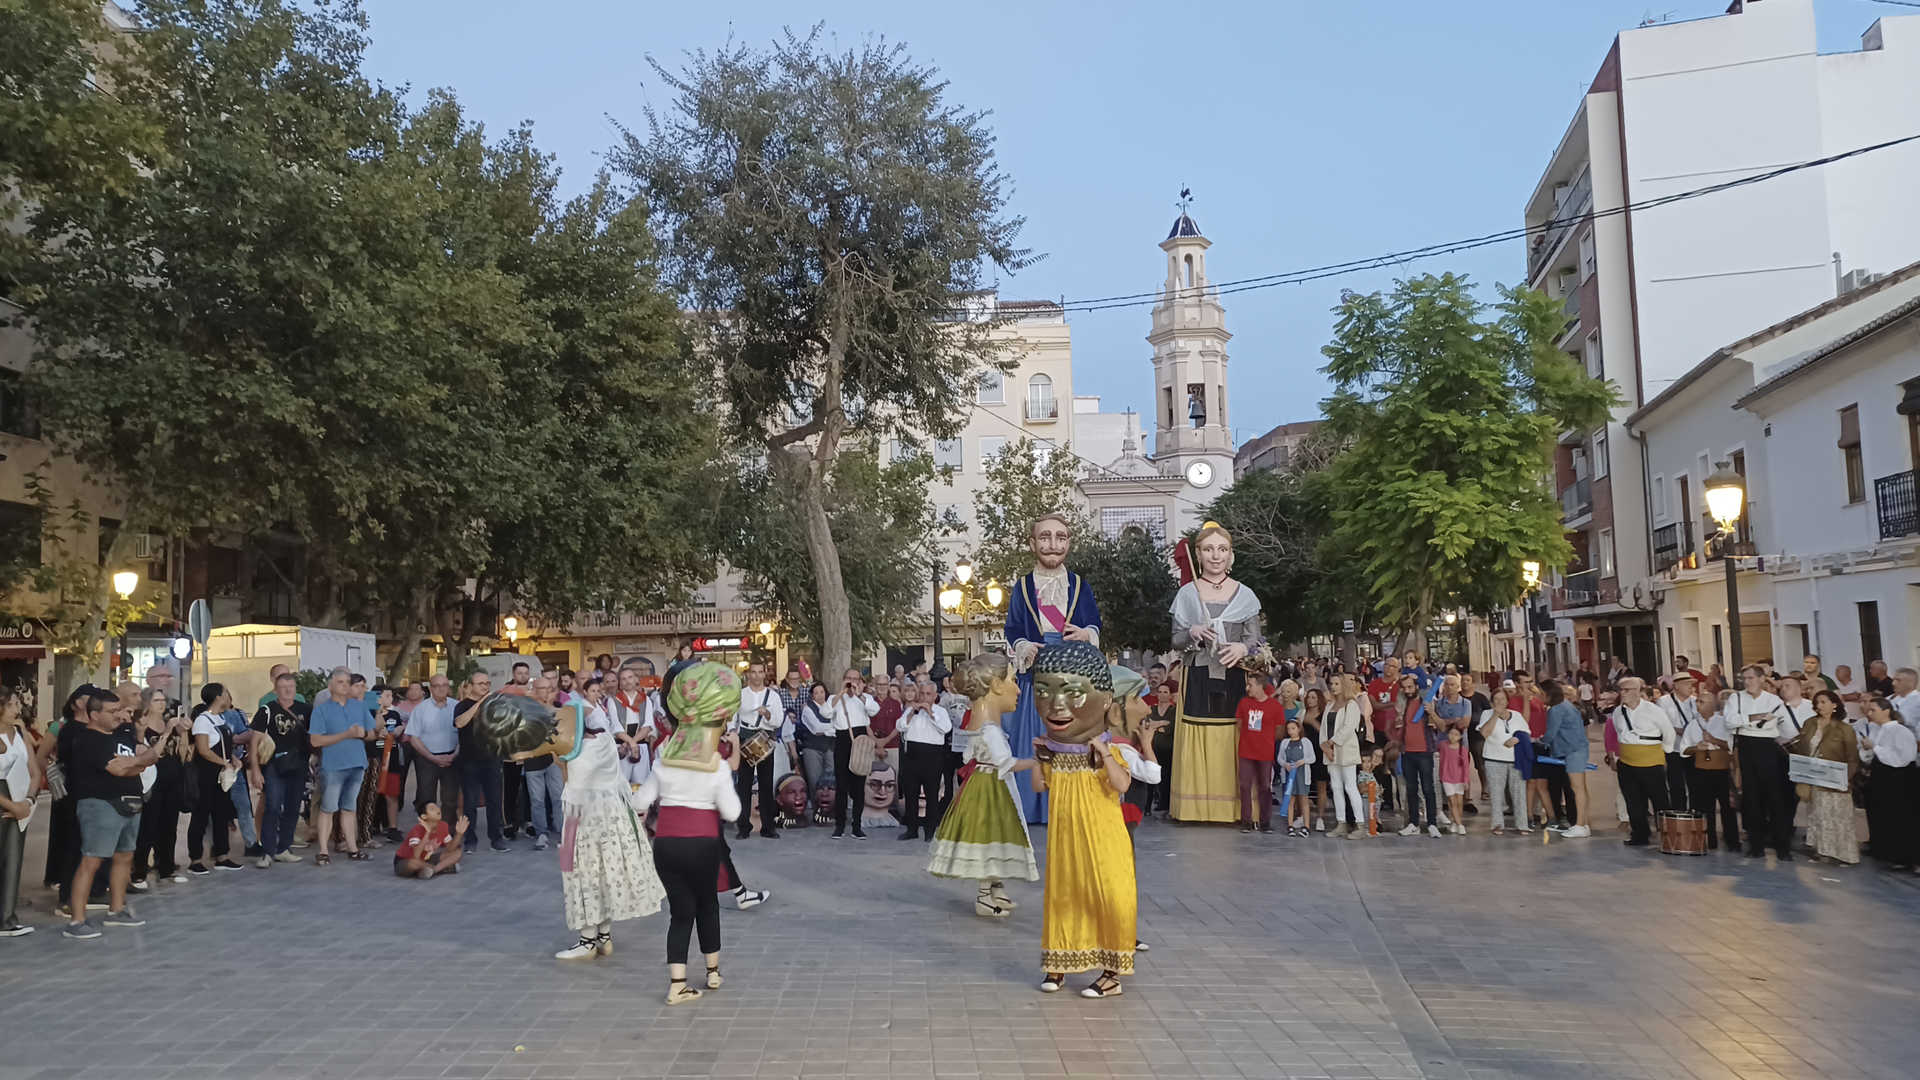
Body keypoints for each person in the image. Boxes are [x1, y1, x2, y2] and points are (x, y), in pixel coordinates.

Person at [1029, 642, 1135, 1000]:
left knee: (1109, 897)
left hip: (1104, 838)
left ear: (1104, 700)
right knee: (1064, 895)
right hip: (1065, 839)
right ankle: (1058, 963)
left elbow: (1122, 785)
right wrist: (1036, 757)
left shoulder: (1109, 749)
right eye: (1044, 693)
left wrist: (1104, 753)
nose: (1056, 706)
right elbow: (1040, 786)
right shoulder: (1055, 752)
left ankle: (1111, 973)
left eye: (1073, 694)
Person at [636, 662, 744, 1005]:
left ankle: (677, 984)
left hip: (666, 845)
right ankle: (712, 973)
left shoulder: (664, 758)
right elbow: (733, 813)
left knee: (680, 912)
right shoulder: (715, 764)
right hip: (702, 844)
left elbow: (642, 799)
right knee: (707, 905)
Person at [1004, 513, 1105, 823]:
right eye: (1045, 537)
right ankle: (1033, 806)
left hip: (1074, 674)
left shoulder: (1078, 584)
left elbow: (1094, 622)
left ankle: (1070, 804)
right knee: (1036, 738)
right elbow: (1013, 628)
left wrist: (1087, 634)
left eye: (1060, 537)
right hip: (1037, 676)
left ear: (1068, 543)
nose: (1053, 544)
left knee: (1071, 738)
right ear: (1033, 544)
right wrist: (1023, 646)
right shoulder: (1022, 587)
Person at [926, 652, 1039, 917]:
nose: (1017, 688)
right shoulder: (990, 730)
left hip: (987, 782)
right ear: (996, 686)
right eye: (1012, 679)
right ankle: (985, 895)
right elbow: (1005, 763)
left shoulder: (983, 727)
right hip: (992, 788)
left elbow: (970, 755)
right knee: (992, 836)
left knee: (994, 838)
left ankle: (995, 889)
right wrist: (1035, 762)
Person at [1169, 523, 1264, 823]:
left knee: (1233, 735)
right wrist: (1192, 631)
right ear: (1198, 554)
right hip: (1197, 675)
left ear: (1230, 555)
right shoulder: (1187, 594)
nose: (1215, 555)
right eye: (1208, 549)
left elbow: (1257, 641)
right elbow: (1175, 640)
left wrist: (1242, 649)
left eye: (1222, 549)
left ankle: (1237, 809)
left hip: (1235, 676)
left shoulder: (1246, 596)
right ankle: (1195, 808)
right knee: (1199, 728)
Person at [63, 686, 165, 939]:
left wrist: (135, 763)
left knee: (124, 857)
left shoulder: (121, 735)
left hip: (130, 801)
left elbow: (142, 761)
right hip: (100, 804)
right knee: (92, 860)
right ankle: (76, 920)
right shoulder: (87, 739)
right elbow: (118, 769)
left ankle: (116, 910)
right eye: (111, 711)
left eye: (118, 710)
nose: (117, 716)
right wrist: (136, 764)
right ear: (94, 714)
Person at [1724, 664, 1792, 860]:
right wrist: (1754, 718)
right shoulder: (1735, 698)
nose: (1747, 682)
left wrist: (1744, 721)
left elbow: (1777, 723)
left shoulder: (1773, 700)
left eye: (1751, 678)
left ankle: (1782, 847)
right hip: (1745, 746)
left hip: (1767, 747)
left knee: (1775, 797)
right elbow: (1729, 722)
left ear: (1762, 679)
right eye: (1744, 678)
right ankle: (1756, 845)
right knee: (1751, 797)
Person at [308, 667, 374, 866]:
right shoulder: (322, 710)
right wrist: (346, 734)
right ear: (331, 686)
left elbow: (372, 734)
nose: (345, 685)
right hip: (334, 766)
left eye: (347, 682)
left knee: (349, 807)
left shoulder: (359, 706)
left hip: (357, 763)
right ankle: (323, 851)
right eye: (340, 682)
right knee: (328, 808)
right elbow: (316, 741)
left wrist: (362, 734)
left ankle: (353, 849)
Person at [131, 689, 193, 888]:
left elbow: (183, 755)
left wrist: (183, 734)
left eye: (163, 700)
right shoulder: (141, 726)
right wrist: (167, 732)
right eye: (157, 700)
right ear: (147, 703)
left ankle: (166, 867)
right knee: (148, 826)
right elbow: (144, 752)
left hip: (172, 778)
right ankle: (138, 869)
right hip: (151, 780)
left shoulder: (171, 723)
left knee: (169, 825)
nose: (161, 704)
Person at [1792, 690, 1858, 865]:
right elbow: (1801, 747)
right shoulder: (1810, 723)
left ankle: (1843, 853)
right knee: (1818, 814)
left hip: (1836, 778)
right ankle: (1822, 850)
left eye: (1823, 702)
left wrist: (1846, 779)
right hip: (1814, 776)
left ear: (1834, 705)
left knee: (1839, 816)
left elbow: (1852, 757)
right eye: (1817, 702)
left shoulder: (1845, 729)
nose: (1819, 706)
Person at [1608, 677, 1675, 848]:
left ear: (1638, 691)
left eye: (1627, 690)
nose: (1623, 693)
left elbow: (1668, 733)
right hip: (1627, 761)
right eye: (1621, 690)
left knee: (1660, 800)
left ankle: (1668, 835)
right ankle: (1640, 834)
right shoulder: (1618, 712)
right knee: (1633, 801)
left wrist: (1664, 753)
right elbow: (1618, 732)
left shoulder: (1654, 710)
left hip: (1651, 761)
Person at [250, 673, 309, 864]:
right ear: (276, 690)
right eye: (283, 686)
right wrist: (256, 770)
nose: (288, 690)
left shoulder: (306, 709)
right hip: (275, 766)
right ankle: (267, 851)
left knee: (293, 807)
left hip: (299, 765)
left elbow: (314, 736)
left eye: (291, 686)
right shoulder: (267, 711)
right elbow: (254, 742)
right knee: (272, 807)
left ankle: (283, 848)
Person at [186, 685, 244, 874]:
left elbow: (226, 745)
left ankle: (222, 856)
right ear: (218, 697)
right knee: (201, 817)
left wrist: (233, 759)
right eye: (226, 692)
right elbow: (203, 749)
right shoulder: (203, 720)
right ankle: (195, 859)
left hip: (221, 776)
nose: (229, 696)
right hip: (206, 775)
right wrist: (223, 762)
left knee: (222, 815)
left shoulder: (220, 718)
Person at [1859, 696, 1919, 871]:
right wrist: (1868, 749)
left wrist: (1874, 747)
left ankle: (1905, 857)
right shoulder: (1878, 730)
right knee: (1880, 813)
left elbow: (1903, 757)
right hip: (1881, 775)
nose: (1870, 714)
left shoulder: (1901, 731)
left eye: (1873, 710)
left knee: (1899, 817)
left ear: (1886, 710)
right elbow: (1872, 754)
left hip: (1898, 779)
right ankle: (1884, 850)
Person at [453, 671, 510, 854]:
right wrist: (480, 703)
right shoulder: (462, 706)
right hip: (469, 761)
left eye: (487, 683)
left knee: (494, 801)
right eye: (481, 684)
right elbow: (460, 723)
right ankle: (470, 840)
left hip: (492, 759)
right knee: (470, 802)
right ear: (470, 686)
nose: (485, 686)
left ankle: (496, 839)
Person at [0, 687, 42, 935]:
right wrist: (11, 805)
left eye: (18, 704)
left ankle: (7, 917)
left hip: (20, 794)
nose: (17, 709)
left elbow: (34, 770)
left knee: (13, 859)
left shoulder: (19, 733)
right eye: (12, 704)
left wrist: (27, 800)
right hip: (5, 798)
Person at [1678, 689, 1737, 851]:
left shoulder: (1723, 722)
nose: (1698, 704)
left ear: (1712, 704)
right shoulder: (1692, 724)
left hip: (1721, 770)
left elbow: (1731, 746)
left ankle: (1732, 841)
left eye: (1702, 701)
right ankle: (1708, 840)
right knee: (1705, 808)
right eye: (1697, 701)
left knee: (1727, 808)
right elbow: (1684, 750)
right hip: (1701, 771)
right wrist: (1696, 748)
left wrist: (1714, 740)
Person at [731, 662, 784, 840]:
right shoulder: (740, 694)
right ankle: (743, 827)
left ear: (764, 674)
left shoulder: (773, 696)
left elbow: (778, 721)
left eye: (760, 672)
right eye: (753, 672)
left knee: (766, 784)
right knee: (744, 785)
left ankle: (768, 827)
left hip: (764, 738)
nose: (756, 675)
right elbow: (732, 717)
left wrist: (768, 715)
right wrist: (732, 735)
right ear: (748, 675)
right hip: (745, 737)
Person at [897, 680, 952, 841]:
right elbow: (900, 727)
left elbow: (945, 728)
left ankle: (930, 831)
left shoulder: (940, 711)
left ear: (935, 696)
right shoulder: (910, 710)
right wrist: (909, 714)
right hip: (912, 755)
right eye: (922, 693)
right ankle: (912, 829)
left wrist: (930, 713)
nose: (924, 697)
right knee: (911, 794)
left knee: (931, 795)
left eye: (928, 694)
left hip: (932, 756)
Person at [827, 670, 878, 840]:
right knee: (841, 785)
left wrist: (860, 694)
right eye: (849, 678)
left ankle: (856, 825)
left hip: (860, 740)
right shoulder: (835, 698)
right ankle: (839, 825)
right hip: (842, 739)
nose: (852, 682)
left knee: (859, 786)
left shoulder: (865, 698)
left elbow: (873, 711)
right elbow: (825, 713)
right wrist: (841, 691)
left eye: (855, 679)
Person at [1390, 673, 1440, 838]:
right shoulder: (1403, 705)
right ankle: (1413, 823)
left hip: (1425, 751)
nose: (1407, 690)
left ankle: (1432, 823)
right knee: (1411, 789)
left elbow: (1440, 725)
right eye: (1404, 688)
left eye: (1410, 687)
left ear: (1417, 686)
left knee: (1428, 788)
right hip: (1407, 752)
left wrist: (1432, 713)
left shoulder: (1426, 701)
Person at [1320, 674, 1369, 839]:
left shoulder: (1351, 705)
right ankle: (1341, 822)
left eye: (1336, 683)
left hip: (1346, 750)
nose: (1333, 687)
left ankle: (1360, 823)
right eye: (1331, 683)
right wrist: (1324, 745)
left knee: (1350, 786)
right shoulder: (1330, 705)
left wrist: (1332, 742)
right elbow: (1324, 728)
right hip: (1331, 752)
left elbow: (1348, 728)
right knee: (1336, 787)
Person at [406, 674, 460, 820]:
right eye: (437, 686)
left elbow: (464, 735)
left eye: (444, 685)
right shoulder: (420, 709)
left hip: (451, 759)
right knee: (426, 798)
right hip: (427, 759)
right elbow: (413, 738)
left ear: (448, 687)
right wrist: (431, 757)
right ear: (431, 688)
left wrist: (454, 755)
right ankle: (427, 833)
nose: (441, 689)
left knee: (450, 799)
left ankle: (448, 833)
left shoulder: (457, 706)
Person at [1478, 687, 1531, 836]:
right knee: (1496, 794)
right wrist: (1495, 714)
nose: (1500, 702)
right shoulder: (1486, 714)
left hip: (1516, 760)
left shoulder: (1517, 715)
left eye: (1502, 699)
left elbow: (1526, 732)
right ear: (1492, 701)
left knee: (1519, 793)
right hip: (1494, 759)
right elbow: (1485, 733)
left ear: (1508, 701)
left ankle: (1522, 824)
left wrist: (1517, 738)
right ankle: (1497, 824)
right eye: (1496, 699)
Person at [1234, 675, 1279, 833]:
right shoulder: (1244, 703)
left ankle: (1265, 822)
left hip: (1265, 753)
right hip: (1246, 751)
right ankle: (1246, 821)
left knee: (1265, 787)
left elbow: (1279, 729)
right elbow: (1239, 724)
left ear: (1260, 686)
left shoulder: (1274, 705)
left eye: (1250, 685)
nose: (1248, 688)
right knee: (1245, 785)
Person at [393, 803, 466, 879]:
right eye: (432, 809)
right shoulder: (417, 829)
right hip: (405, 860)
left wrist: (459, 834)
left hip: (426, 859)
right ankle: (441, 869)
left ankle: (432, 870)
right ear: (424, 816)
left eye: (437, 807)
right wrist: (427, 833)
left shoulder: (443, 825)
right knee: (413, 863)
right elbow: (416, 856)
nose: (437, 809)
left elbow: (450, 849)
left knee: (457, 852)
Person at [795, 682, 835, 806]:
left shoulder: (832, 708)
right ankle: (817, 809)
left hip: (830, 747)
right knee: (815, 779)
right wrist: (834, 728)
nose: (820, 695)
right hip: (812, 748)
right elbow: (816, 729)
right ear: (812, 695)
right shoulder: (807, 709)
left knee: (831, 778)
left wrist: (829, 729)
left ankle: (829, 808)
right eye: (816, 693)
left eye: (822, 692)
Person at [1299, 686, 1331, 831]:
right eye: (1309, 697)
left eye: (1313, 697)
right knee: (1303, 786)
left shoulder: (1324, 714)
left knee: (1321, 785)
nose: (1310, 700)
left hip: (1320, 752)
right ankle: (1302, 815)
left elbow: (1326, 733)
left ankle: (1320, 817)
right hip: (1305, 752)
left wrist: (1312, 722)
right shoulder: (1302, 713)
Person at [1276, 719, 1316, 836]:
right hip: (1289, 775)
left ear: (1299, 729)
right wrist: (1285, 765)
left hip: (1302, 774)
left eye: (1293, 728)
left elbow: (1312, 758)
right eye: (1288, 729)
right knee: (1290, 800)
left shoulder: (1305, 742)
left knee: (1304, 800)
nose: (1291, 731)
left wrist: (1303, 761)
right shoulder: (1285, 742)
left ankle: (1306, 826)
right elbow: (1280, 758)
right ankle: (1290, 825)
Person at [1437, 724, 1472, 836]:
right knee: (1452, 801)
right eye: (1451, 733)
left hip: (1459, 779)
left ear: (1460, 737)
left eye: (1456, 734)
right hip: (1447, 777)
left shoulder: (1463, 749)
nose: (1453, 736)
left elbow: (1466, 766)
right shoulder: (1443, 745)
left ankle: (1455, 822)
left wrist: (1466, 780)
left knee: (1459, 802)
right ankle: (1460, 824)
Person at [1892, 668, 1920, 737]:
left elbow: (1903, 720)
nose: (1893, 683)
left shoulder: (1917, 699)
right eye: (1893, 680)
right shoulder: (1892, 699)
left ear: (1910, 683)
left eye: (1898, 680)